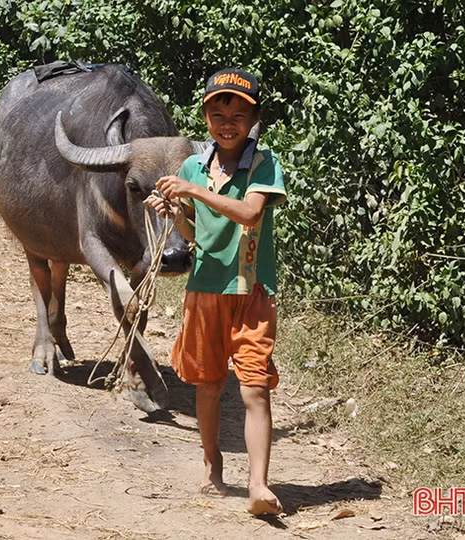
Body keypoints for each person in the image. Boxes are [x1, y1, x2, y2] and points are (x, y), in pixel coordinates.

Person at [146, 68, 287, 516]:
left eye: (239, 113)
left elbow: (249, 214)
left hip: (251, 292)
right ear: (206, 115)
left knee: (254, 389)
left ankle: (259, 485)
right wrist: (172, 211)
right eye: (218, 111)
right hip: (204, 289)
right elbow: (192, 233)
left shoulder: (264, 164)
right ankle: (212, 468)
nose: (228, 122)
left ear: (254, 120)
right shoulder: (193, 166)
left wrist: (191, 190)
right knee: (207, 387)